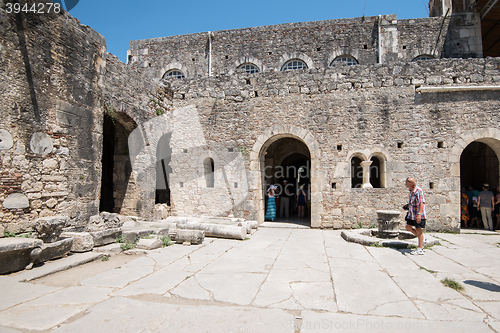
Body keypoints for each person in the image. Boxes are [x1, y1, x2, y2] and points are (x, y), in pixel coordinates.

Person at [404, 177, 426, 255]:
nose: (405, 184)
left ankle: (420, 249)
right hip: (412, 214)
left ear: (410, 183)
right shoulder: (411, 192)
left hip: (417, 214)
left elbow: (422, 203)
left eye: (406, 183)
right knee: (408, 227)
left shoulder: (418, 191)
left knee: (418, 230)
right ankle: (421, 239)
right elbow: (413, 202)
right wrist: (407, 205)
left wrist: (419, 214)